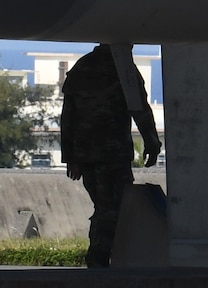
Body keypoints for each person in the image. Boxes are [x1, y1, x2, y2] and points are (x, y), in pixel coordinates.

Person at [59, 43, 161, 267]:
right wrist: (152, 143)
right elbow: (140, 109)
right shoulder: (124, 69)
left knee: (104, 207)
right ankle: (99, 256)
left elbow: (68, 117)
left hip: (87, 155)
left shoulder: (81, 67)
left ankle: (99, 257)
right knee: (114, 208)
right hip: (113, 154)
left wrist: (71, 158)